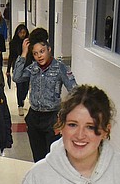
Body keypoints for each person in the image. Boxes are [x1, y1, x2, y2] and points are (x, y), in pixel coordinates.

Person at [12, 31, 77, 162]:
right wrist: (24, 54)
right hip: (34, 118)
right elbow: (16, 77)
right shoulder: (33, 68)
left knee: (53, 159)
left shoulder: (60, 68)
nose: (39, 56)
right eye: (35, 53)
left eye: (42, 51)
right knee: (38, 159)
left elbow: (75, 91)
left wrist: (65, 115)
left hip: (52, 119)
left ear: (49, 49)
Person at [6, 23, 30, 116]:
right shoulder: (13, 42)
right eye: (21, 33)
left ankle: (22, 99)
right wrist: (8, 70)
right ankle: (20, 105)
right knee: (19, 87)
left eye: (24, 32)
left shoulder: (29, 42)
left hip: (28, 67)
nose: (22, 35)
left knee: (26, 87)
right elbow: (11, 56)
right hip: (17, 67)